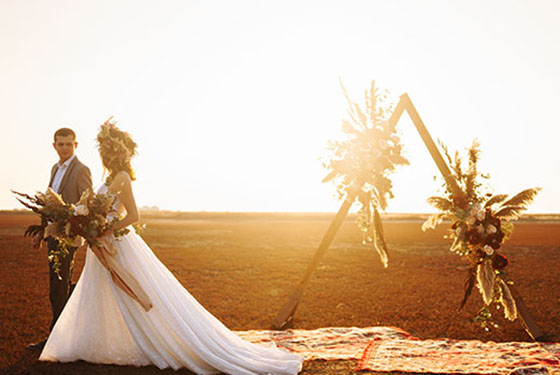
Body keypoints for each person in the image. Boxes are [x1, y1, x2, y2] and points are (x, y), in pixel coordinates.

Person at [39, 118, 303, 375]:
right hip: (101, 244)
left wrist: (105, 229)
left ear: (117, 154)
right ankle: (96, 343)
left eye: (108, 151)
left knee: (138, 292)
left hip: (116, 243)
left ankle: (160, 338)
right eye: (103, 151)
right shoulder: (108, 178)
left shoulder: (122, 178)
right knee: (99, 293)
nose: (104, 156)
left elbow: (133, 216)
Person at [29, 128, 92, 350]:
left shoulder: (82, 170)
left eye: (68, 144)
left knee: (58, 284)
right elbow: (49, 203)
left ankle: (57, 339)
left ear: (76, 145)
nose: (64, 148)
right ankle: (64, 332)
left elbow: (87, 203)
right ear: (54, 145)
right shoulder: (55, 168)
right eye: (60, 144)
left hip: (69, 236)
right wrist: (40, 230)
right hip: (53, 235)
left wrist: (72, 217)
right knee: (59, 284)